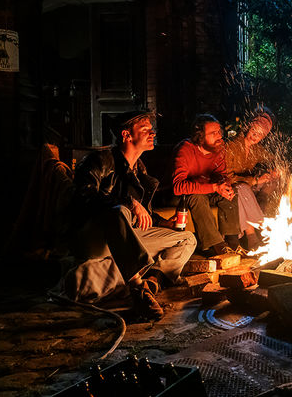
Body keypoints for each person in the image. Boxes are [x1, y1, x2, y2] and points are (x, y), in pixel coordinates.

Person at [61, 111, 197, 320]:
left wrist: (164, 224)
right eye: (145, 129)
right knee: (118, 211)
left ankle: (151, 282)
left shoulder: (139, 170)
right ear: (126, 135)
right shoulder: (99, 160)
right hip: (92, 237)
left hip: (126, 241)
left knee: (187, 239)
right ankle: (137, 290)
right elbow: (84, 197)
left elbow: (144, 216)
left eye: (151, 128)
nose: (152, 132)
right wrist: (129, 203)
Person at [172, 114, 239, 256]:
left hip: (204, 191)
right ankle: (216, 246)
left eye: (219, 131)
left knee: (232, 192)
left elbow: (221, 175)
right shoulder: (185, 150)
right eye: (213, 133)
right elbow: (178, 186)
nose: (219, 136)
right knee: (197, 196)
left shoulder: (218, 149)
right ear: (200, 136)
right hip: (177, 196)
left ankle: (233, 242)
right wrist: (214, 187)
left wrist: (224, 185)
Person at [224, 109, 279, 250]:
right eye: (254, 131)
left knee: (272, 181)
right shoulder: (231, 145)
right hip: (232, 186)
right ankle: (253, 236)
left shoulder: (256, 150)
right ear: (248, 127)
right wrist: (255, 180)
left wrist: (275, 170)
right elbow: (228, 177)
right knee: (243, 188)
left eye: (260, 134)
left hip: (246, 186)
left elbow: (272, 159)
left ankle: (263, 203)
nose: (255, 136)